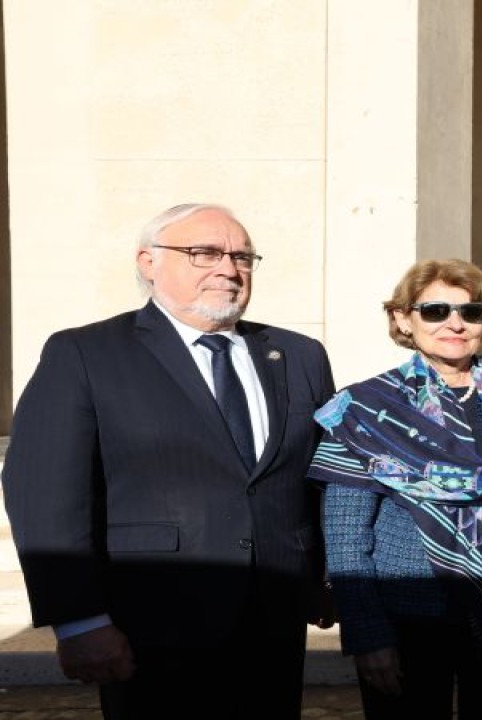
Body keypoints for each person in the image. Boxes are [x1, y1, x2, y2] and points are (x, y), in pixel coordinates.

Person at [0, 203, 336, 719]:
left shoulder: (298, 354)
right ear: (148, 262)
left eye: (242, 256)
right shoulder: (85, 353)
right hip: (150, 626)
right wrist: (78, 620)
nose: (228, 269)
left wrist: (326, 578)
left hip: (274, 619)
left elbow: (320, 477)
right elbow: (44, 492)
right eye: (204, 253)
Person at [307, 259, 482, 720]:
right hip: (411, 613)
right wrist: (368, 634)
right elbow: (346, 537)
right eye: (435, 311)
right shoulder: (365, 408)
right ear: (404, 318)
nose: (455, 324)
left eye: (472, 312)